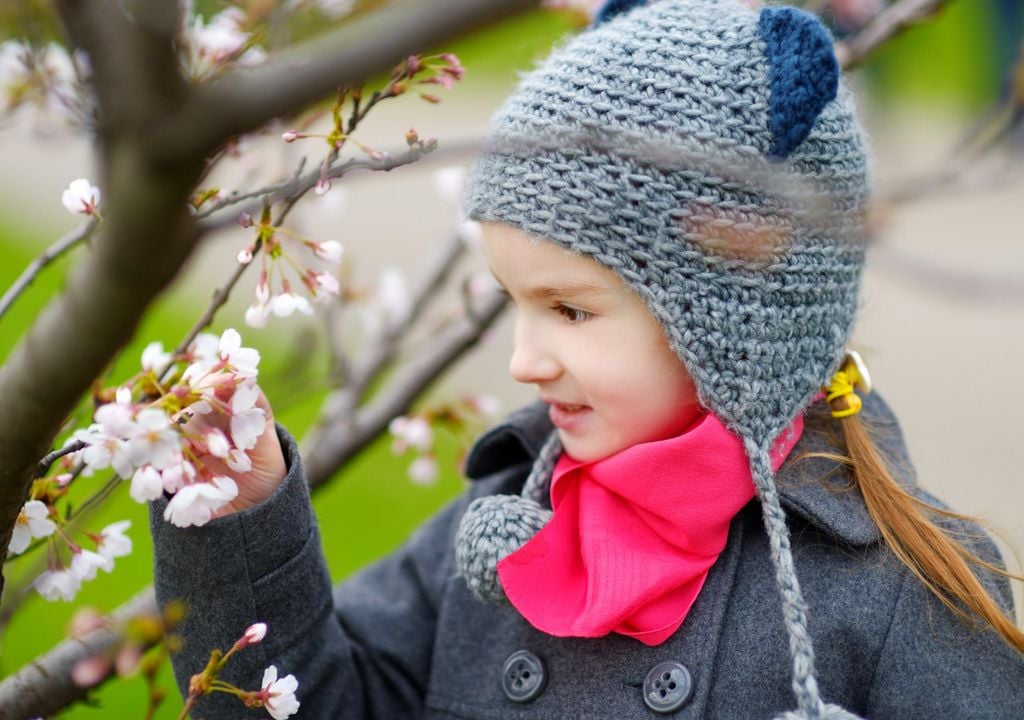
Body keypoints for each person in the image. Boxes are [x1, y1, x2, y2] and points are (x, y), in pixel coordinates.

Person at [151, 1, 1024, 718]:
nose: (525, 362)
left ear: (737, 312)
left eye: (570, 309)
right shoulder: (497, 535)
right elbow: (319, 704)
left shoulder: (905, 597)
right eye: (515, 301)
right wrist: (242, 520)